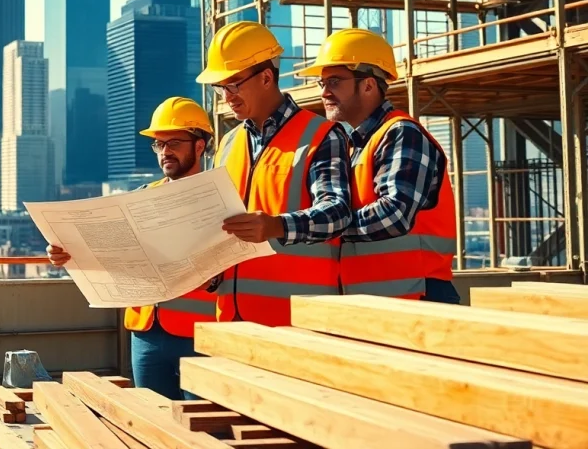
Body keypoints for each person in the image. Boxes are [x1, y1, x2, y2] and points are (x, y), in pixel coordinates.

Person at [46, 97, 217, 400]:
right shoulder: (141, 197)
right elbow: (114, 252)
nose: (165, 152)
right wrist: (67, 252)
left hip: (199, 334)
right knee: (154, 424)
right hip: (146, 333)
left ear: (199, 146)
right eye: (159, 144)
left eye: (174, 143)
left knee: (204, 427)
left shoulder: (217, 200)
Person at [196, 20, 353, 327]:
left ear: (267, 77)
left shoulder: (321, 135)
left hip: (299, 324)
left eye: (234, 84)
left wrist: (276, 226)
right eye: (220, 87)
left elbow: (337, 213)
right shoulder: (228, 143)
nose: (226, 96)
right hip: (231, 320)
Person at [299, 28, 460, 304]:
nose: (324, 92)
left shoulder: (402, 134)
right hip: (378, 299)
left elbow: (394, 215)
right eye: (321, 83)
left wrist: (323, 225)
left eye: (334, 81)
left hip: (418, 297)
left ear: (369, 85)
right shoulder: (352, 145)